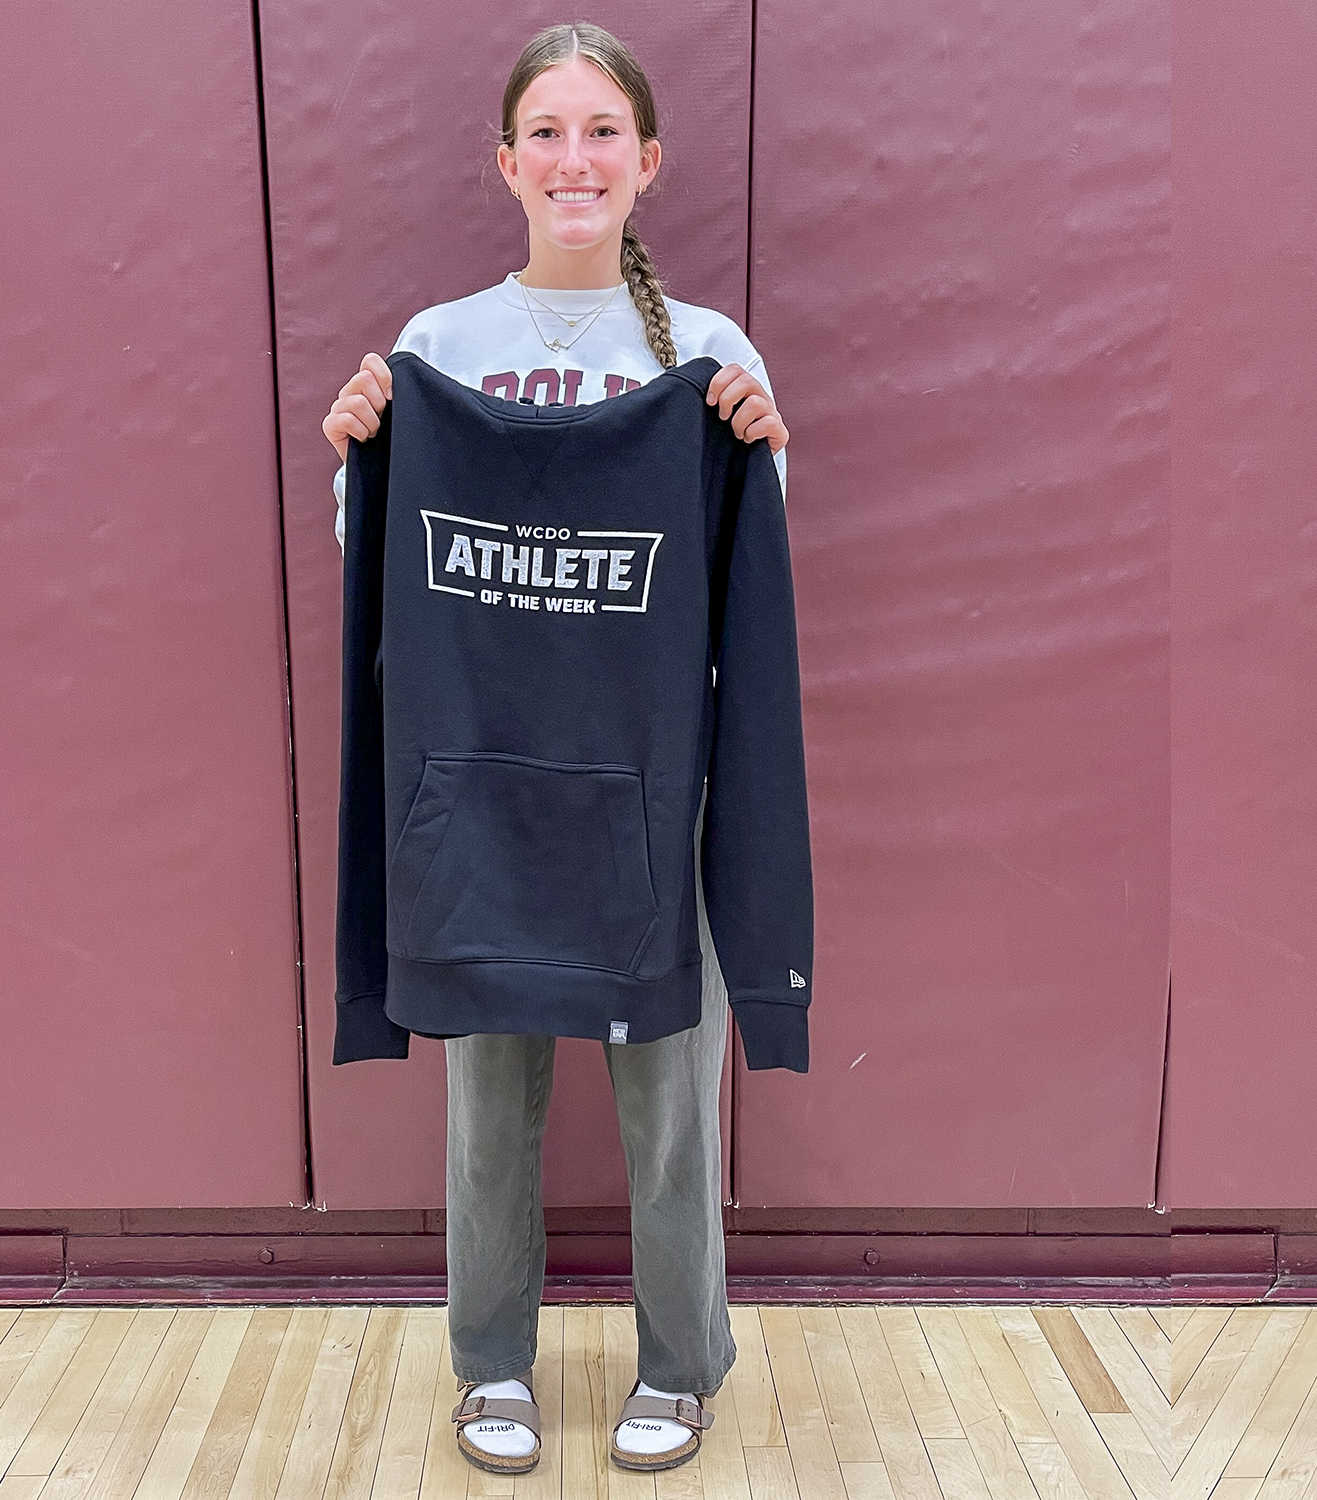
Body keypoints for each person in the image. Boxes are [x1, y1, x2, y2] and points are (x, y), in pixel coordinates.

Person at [319, 23, 787, 1477]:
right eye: (547, 131)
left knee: (670, 1108)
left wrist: (760, 449)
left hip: (651, 792)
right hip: (482, 789)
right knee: (487, 1108)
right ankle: (489, 1367)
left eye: (602, 133)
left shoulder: (708, 351)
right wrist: (362, 457)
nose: (572, 158)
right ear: (506, 160)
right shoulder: (439, 345)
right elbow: (387, 565)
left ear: (646, 164)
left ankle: (682, 1366)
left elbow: (752, 575)